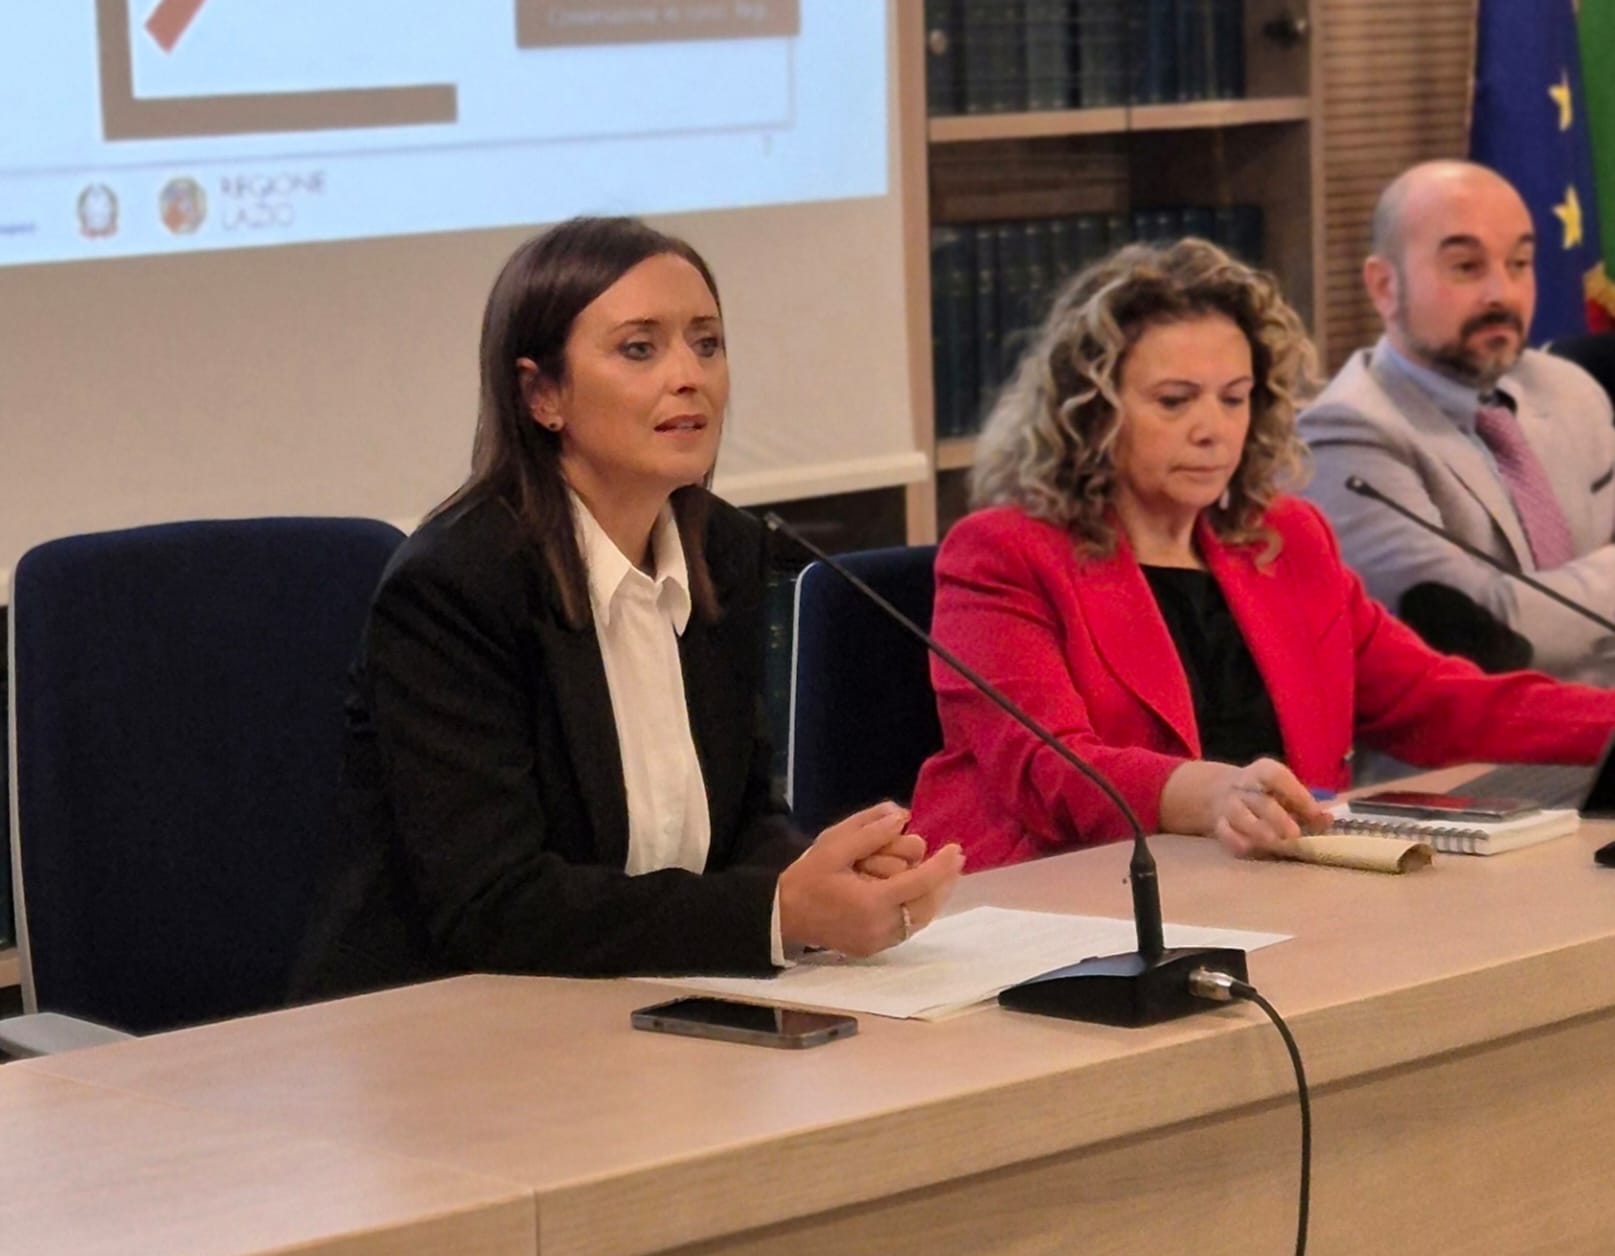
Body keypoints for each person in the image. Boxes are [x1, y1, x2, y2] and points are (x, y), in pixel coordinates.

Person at [296, 215, 962, 997]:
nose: (690, 376)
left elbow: (737, 826)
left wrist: (828, 878)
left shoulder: (723, 550)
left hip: (640, 995)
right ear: (542, 395)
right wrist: (777, 913)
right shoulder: (457, 584)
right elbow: (492, 904)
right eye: (640, 349)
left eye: (706, 343)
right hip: (446, 1017)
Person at [908, 238, 1615, 871]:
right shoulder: (1003, 555)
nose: (1212, 430)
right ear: (1092, 412)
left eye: (1234, 399)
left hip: (1266, 888)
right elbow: (1048, 770)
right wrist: (1212, 794)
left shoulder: (1284, 541)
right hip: (1051, 898)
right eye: (1175, 401)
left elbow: (1433, 700)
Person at [1300, 161, 1615, 685]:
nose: (1502, 293)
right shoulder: (1342, 436)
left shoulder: (1568, 390)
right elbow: (1486, 637)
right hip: (1479, 735)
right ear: (1384, 286)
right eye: (1467, 267)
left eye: (1519, 263)